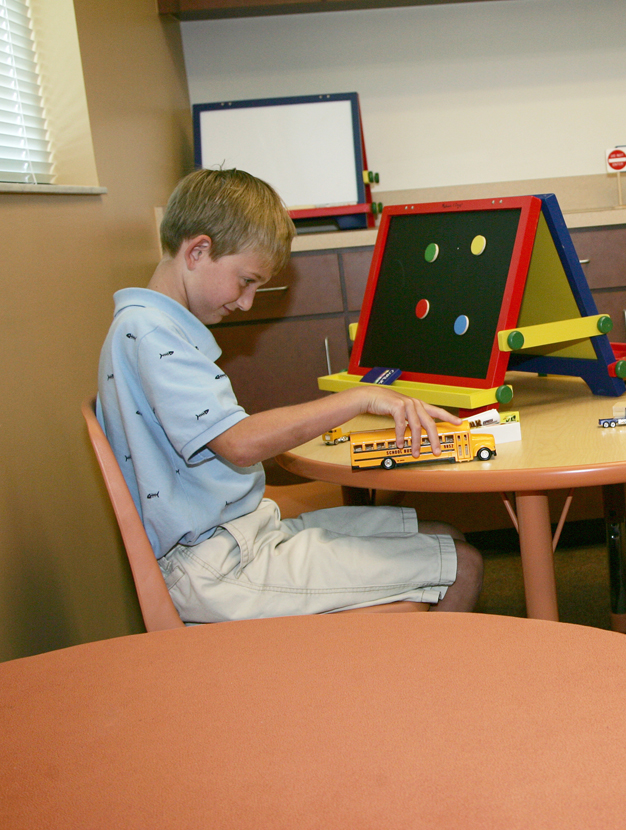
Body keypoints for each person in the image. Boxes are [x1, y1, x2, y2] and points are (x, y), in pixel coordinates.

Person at [98, 168, 483, 623]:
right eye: (247, 280)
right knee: (463, 566)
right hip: (215, 565)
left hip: (240, 535)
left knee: (443, 533)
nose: (246, 302)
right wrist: (359, 398)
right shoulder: (149, 332)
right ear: (198, 250)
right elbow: (239, 443)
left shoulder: (152, 326)